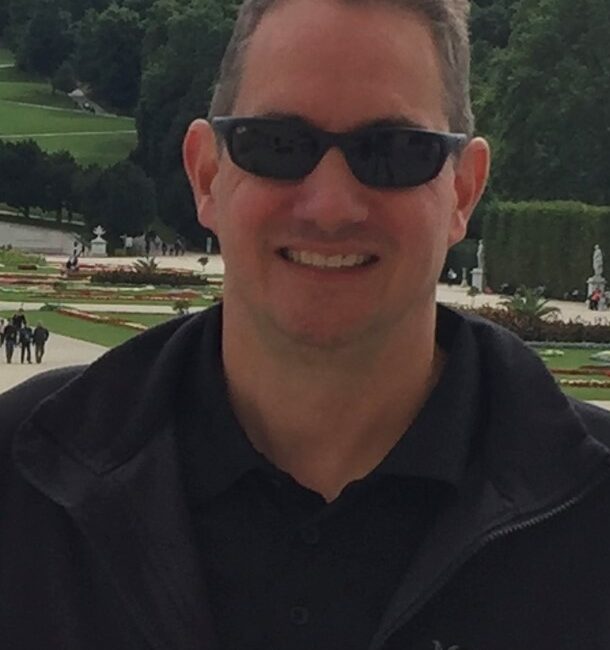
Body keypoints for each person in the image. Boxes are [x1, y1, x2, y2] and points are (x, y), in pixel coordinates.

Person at [1, 2, 610, 649]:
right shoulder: (15, 479)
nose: (330, 208)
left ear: (462, 191)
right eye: (278, 145)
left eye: (394, 151)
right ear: (207, 175)